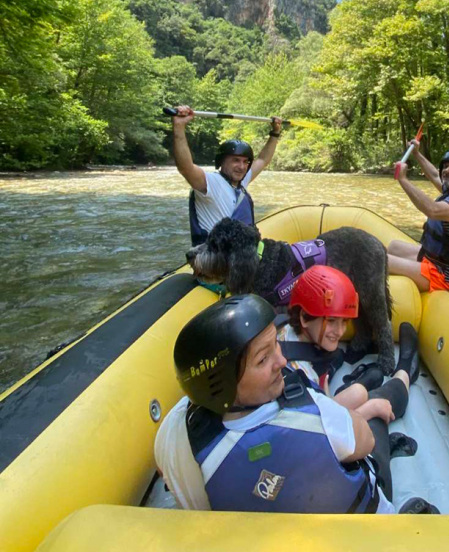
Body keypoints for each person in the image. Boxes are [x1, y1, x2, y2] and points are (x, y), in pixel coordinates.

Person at [154, 294, 414, 513]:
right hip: (353, 523)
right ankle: (404, 371)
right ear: (224, 384)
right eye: (263, 359)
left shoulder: (172, 432)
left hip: (272, 551)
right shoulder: (309, 417)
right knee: (381, 405)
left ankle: (364, 381)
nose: (281, 361)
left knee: (356, 395)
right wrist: (361, 411)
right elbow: (366, 441)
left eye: (275, 344)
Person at [280, 265, 420, 407]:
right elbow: (323, 422)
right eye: (332, 321)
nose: (340, 331)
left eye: (345, 321)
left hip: (318, 396)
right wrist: (370, 409)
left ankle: (360, 384)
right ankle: (405, 373)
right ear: (304, 317)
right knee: (365, 396)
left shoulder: (287, 328)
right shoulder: (303, 376)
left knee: (342, 360)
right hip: (319, 417)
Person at [170, 105, 283, 245]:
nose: (242, 167)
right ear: (222, 162)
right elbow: (185, 167)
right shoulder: (209, 183)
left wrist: (275, 133)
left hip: (241, 255)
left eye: (245, 162)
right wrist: (179, 127)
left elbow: (263, 160)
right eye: (235, 160)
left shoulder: (241, 182)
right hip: (216, 259)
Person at [388, 142, 449, 292]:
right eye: (445, 167)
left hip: (444, 276)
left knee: (380, 260)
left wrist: (403, 179)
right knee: (394, 246)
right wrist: (417, 154)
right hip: (437, 262)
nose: (447, 170)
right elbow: (434, 175)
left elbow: (432, 210)